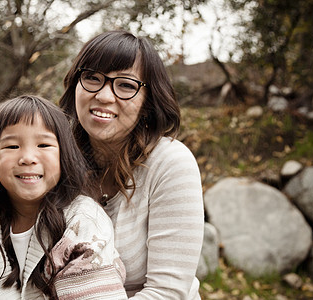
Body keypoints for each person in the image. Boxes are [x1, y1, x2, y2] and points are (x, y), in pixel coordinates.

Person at [59, 31, 204, 299]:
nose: (103, 96)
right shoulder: (54, 158)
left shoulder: (171, 163)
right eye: (92, 77)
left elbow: (167, 293)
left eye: (125, 85)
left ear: (148, 102)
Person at [0, 95, 127, 299]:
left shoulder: (84, 221)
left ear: (64, 156)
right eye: (11, 146)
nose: (27, 158)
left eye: (43, 145)